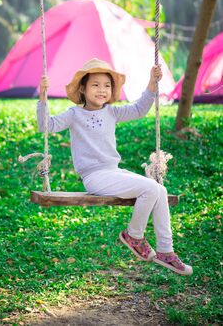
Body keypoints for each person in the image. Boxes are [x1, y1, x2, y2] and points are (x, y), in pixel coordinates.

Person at [37, 58, 192, 276]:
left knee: (161, 190)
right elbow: (46, 125)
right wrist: (43, 98)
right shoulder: (74, 114)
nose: (102, 90)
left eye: (107, 86)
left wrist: (151, 83)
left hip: (113, 172)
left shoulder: (112, 112)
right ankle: (133, 235)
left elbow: (139, 110)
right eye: (95, 85)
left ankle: (166, 251)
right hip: (94, 176)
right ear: (83, 88)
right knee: (151, 189)